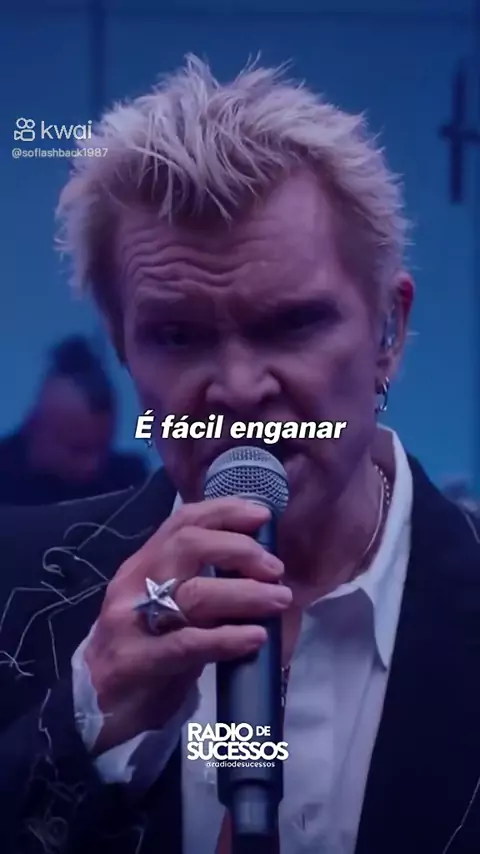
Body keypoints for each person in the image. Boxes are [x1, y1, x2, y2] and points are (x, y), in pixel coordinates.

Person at [0, 55, 479, 854]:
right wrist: (85, 713)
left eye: (292, 325)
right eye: (177, 336)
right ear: (123, 349)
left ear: (388, 332)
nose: (239, 388)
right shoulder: (13, 591)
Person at [0, 336, 147, 504]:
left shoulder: (128, 482)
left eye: (102, 448)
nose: (93, 466)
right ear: (38, 429)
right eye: (79, 449)